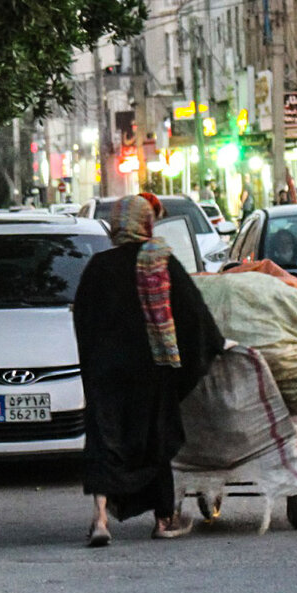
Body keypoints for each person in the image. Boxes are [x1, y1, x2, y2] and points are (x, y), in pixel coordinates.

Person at [74, 195, 225, 547]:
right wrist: (211, 346)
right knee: (155, 442)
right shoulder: (159, 261)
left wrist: (94, 365)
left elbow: (83, 319)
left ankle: (99, 519)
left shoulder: (98, 266)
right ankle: (163, 519)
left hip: (106, 375)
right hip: (151, 373)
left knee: (104, 442)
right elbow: (193, 314)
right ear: (146, 224)